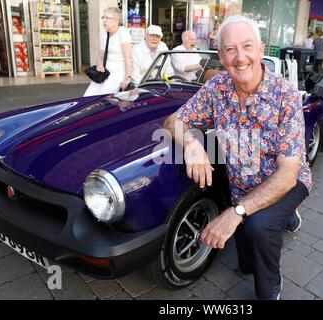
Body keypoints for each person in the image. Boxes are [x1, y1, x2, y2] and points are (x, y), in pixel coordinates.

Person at [163, 15, 311, 300]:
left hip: (288, 182)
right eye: (230, 49)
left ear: (260, 49)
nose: (240, 57)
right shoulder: (217, 88)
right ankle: (286, 218)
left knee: (259, 226)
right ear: (221, 55)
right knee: (244, 264)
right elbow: (173, 121)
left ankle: (272, 286)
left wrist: (236, 213)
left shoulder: (286, 96)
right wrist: (192, 144)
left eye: (247, 46)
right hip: (242, 187)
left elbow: (287, 174)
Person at [84, 7, 132, 97]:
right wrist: (99, 64)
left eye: (107, 18)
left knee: (103, 97)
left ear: (116, 21)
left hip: (118, 71)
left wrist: (128, 78)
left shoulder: (123, 32)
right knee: (88, 96)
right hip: (104, 72)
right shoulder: (104, 35)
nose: (104, 21)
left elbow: (128, 57)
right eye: (103, 17)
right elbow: (100, 57)